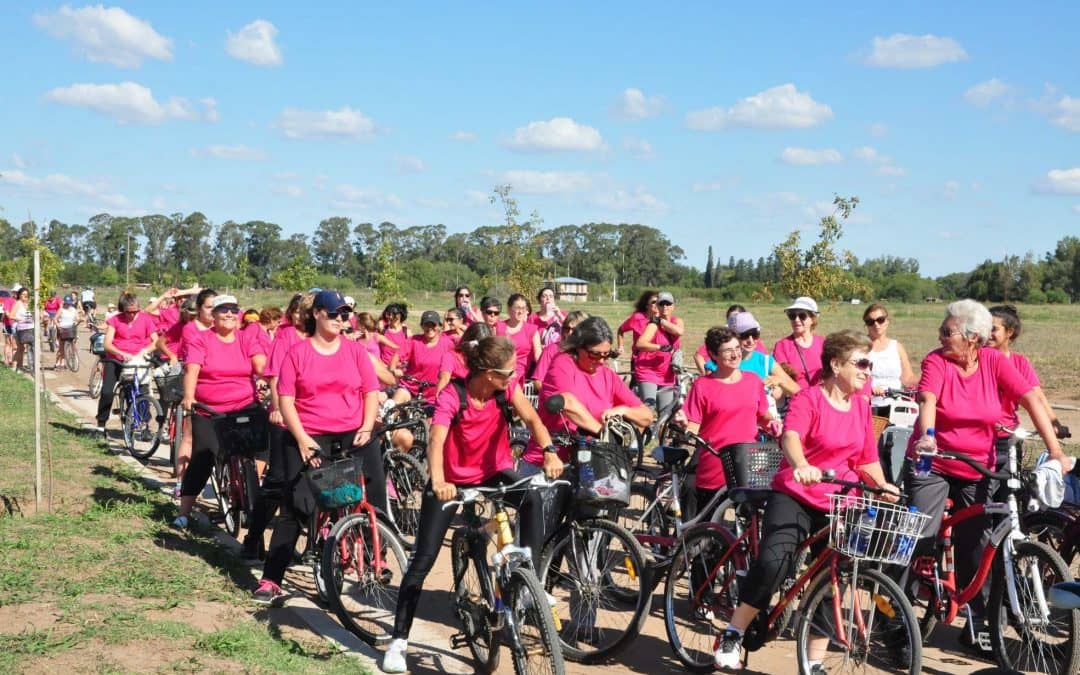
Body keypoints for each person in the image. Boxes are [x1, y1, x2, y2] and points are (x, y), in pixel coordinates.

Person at [714, 330, 900, 670]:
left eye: (870, 365)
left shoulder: (861, 407)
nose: (867, 371)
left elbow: (866, 459)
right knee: (774, 561)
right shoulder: (809, 399)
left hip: (840, 501)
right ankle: (733, 632)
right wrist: (801, 465)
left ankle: (813, 662)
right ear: (836, 365)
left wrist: (883, 484)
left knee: (832, 581)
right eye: (861, 363)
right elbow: (791, 436)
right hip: (797, 494)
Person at [382, 336, 560, 673]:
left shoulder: (506, 390)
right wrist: (438, 481)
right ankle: (399, 641)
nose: (514, 377)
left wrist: (549, 452)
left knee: (531, 498)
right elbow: (436, 439)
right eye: (508, 372)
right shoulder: (454, 395)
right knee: (422, 561)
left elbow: (534, 420)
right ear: (490, 373)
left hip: (493, 472)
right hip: (452, 480)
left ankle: (530, 581)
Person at [903, 299, 1069, 654]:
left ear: (972, 338)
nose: (940, 335)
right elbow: (927, 400)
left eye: (947, 331)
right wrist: (928, 437)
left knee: (978, 547)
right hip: (933, 462)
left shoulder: (994, 361)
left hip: (978, 465)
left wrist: (1055, 452)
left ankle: (979, 623)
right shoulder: (936, 361)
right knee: (921, 534)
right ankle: (897, 615)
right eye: (942, 329)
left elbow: (1031, 399)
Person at [254, 291, 383, 604]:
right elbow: (286, 400)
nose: (340, 319)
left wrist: (367, 426)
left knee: (374, 488)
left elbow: (371, 391)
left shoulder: (354, 351)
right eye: (333, 313)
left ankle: (375, 557)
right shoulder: (297, 352)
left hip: (353, 431)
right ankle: (272, 579)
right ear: (317, 314)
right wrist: (302, 440)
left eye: (344, 314)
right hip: (309, 433)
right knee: (296, 505)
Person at [174, 294, 266, 530]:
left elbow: (261, 365)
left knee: (265, 444)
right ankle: (184, 512)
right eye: (223, 310)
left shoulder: (246, 338)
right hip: (210, 409)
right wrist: (189, 396)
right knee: (204, 456)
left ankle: (249, 487)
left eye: (234, 310)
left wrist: (275, 379)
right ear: (212, 315)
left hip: (244, 404)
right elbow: (192, 370)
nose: (229, 314)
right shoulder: (201, 339)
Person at [522, 316, 653, 477]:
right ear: (579, 347)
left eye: (606, 355)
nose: (601, 361)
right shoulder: (562, 363)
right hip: (549, 463)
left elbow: (646, 416)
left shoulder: (607, 375)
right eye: (595, 354)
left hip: (590, 467)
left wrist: (623, 410)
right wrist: (604, 435)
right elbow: (569, 403)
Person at [682, 327, 777, 516]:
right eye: (728, 351)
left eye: (737, 348)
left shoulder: (753, 381)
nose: (735, 355)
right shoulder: (702, 385)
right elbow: (693, 426)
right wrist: (684, 424)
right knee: (709, 526)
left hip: (748, 465)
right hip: (715, 463)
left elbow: (762, 416)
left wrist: (776, 425)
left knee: (750, 524)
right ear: (713, 355)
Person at [94, 293, 159, 436]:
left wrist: (144, 351)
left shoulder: (145, 319)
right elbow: (107, 344)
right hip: (116, 359)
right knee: (107, 392)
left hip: (137, 359)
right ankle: (101, 425)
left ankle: (144, 424)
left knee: (141, 391)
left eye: (136, 311)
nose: (132, 315)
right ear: (123, 310)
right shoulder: (115, 320)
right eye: (129, 312)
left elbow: (156, 341)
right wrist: (121, 353)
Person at [634, 291, 685, 422]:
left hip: (667, 374)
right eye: (662, 304)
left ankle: (660, 435)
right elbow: (640, 344)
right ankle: (638, 434)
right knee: (648, 409)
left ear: (673, 306)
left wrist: (661, 321)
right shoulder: (653, 325)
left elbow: (679, 331)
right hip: (648, 371)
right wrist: (660, 347)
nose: (665, 307)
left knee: (665, 414)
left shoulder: (677, 321)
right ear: (657, 306)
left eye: (668, 304)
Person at [863, 303, 918, 416]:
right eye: (870, 321)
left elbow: (907, 379)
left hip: (896, 406)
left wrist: (928, 379)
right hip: (870, 406)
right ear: (866, 324)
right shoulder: (861, 347)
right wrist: (869, 389)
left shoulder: (897, 347)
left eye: (880, 320)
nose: (876, 324)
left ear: (887, 321)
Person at [390, 310, 454, 403]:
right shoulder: (413, 341)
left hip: (435, 393)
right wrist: (393, 369)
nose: (430, 328)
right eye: (427, 325)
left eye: (433, 325)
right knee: (395, 402)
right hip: (411, 387)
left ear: (439, 326)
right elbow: (397, 355)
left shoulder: (448, 344)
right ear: (422, 326)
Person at [773, 296, 824, 390]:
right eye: (792, 316)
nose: (796, 319)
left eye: (802, 316)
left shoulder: (823, 343)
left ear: (812, 319)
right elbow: (783, 378)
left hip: (820, 395)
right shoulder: (782, 346)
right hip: (795, 395)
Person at [532, 310, 588, 387]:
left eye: (574, 330)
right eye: (567, 328)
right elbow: (538, 382)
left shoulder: (591, 352)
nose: (569, 332)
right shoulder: (552, 350)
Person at [435, 321, 493, 395]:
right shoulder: (451, 356)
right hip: (458, 397)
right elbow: (444, 378)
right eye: (477, 346)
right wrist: (440, 395)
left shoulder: (489, 358)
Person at [616, 290, 659, 386]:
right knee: (637, 388)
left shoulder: (664, 319)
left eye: (659, 302)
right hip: (639, 360)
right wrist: (620, 346)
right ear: (647, 305)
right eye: (653, 302)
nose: (657, 304)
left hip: (657, 360)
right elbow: (621, 330)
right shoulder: (637, 318)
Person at [504, 293, 541, 379]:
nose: (520, 311)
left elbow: (538, 356)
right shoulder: (498, 327)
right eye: (517, 308)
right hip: (499, 373)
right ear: (509, 309)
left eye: (523, 308)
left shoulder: (532, 330)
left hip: (519, 376)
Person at [11, 287, 35, 372]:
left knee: (23, 348)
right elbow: (11, 315)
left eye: (26, 294)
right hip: (18, 328)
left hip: (27, 328)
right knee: (20, 348)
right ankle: (14, 367)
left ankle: (20, 366)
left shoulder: (28, 304)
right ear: (19, 295)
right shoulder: (18, 303)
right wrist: (20, 319)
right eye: (23, 294)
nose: (25, 296)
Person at [53, 295, 80, 370]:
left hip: (71, 329)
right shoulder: (61, 309)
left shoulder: (73, 310)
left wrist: (79, 320)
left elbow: (77, 318)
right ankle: (58, 363)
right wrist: (58, 325)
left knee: (72, 345)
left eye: (69, 303)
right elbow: (55, 319)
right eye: (66, 303)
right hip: (63, 329)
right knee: (61, 348)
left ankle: (65, 362)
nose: (68, 305)